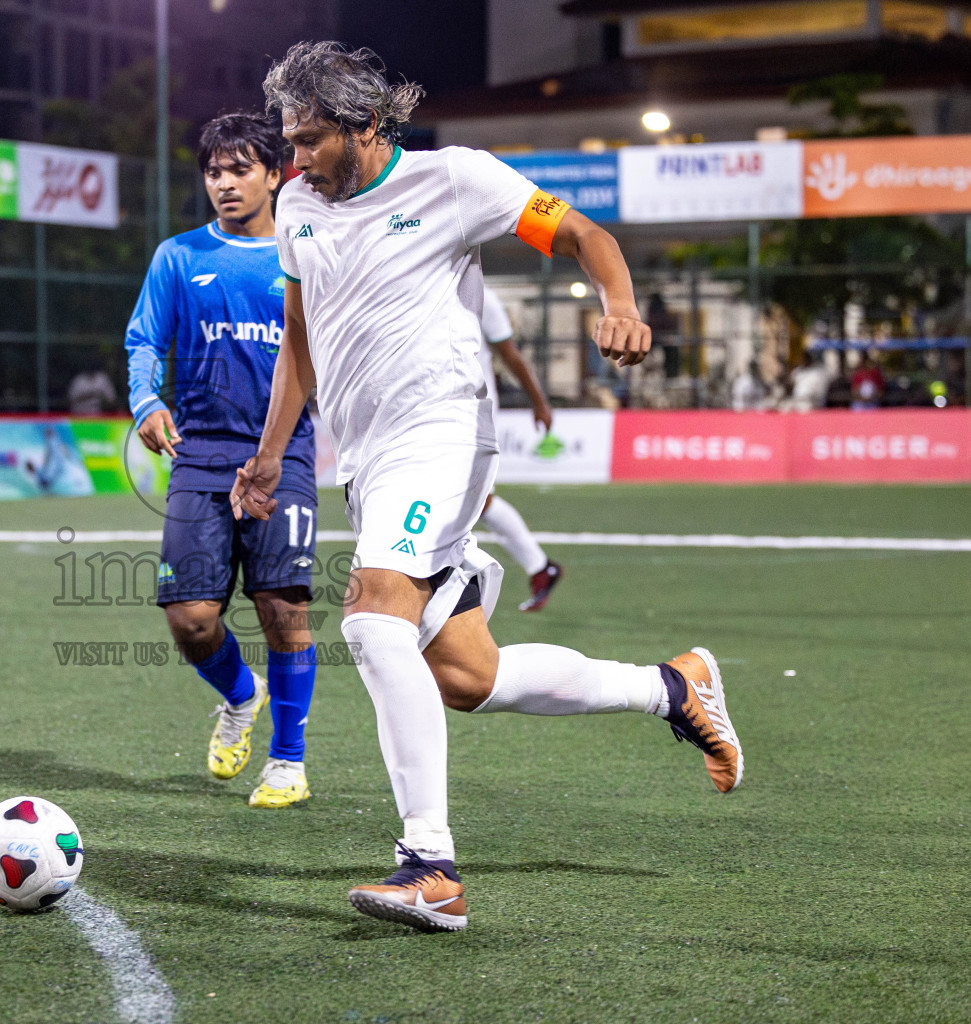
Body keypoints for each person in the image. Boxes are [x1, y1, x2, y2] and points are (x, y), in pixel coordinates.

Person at [234, 42, 743, 932]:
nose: (295, 158)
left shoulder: (457, 178)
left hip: (443, 434)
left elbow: (585, 235)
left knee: (369, 614)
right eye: (288, 140)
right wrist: (274, 453)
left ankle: (430, 866)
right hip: (366, 461)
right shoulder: (298, 211)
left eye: (310, 139)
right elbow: (300, 340)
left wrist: (619, 305)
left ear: (365, 125)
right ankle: (672, 687)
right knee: (468, 676)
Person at [125, 112, 320, 809]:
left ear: (275, 175)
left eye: (240, 169)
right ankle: (241, 696)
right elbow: (144, 338)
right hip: (201, 456)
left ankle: (288, 761)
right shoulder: (178, 257)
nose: (224, 183)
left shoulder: (304, 256)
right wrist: (145, 399)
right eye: (213, 171)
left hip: (285, 454)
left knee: (282, 608)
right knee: (191, 619)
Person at [475, 286, 564, 611]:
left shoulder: (484, 296)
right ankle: (541, 568)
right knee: (473, 502)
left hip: (475, 413)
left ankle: (540, 567)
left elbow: (510, 354)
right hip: (431, 412)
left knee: (475, 500)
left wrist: (540, 402)